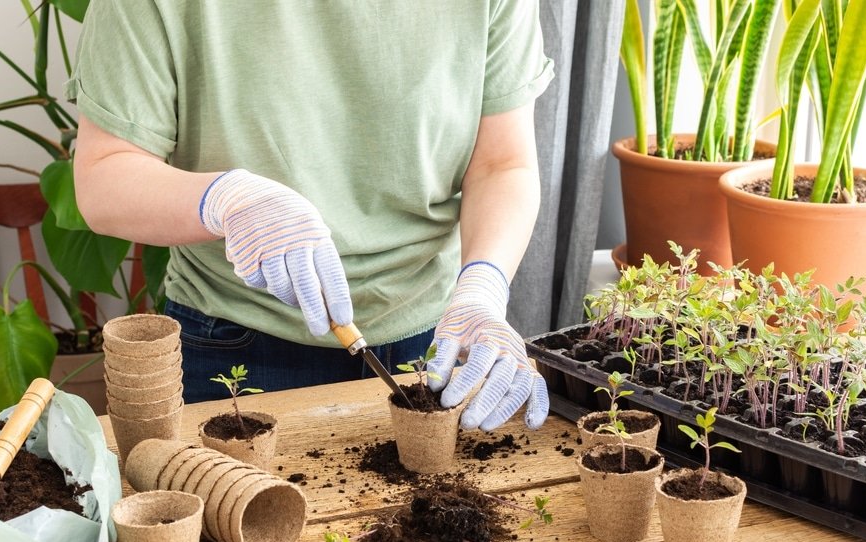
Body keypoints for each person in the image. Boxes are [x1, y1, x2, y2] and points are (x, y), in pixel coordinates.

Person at [69, 1, 553, 432]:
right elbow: (103, 177)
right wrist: (228, 198)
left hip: (438, 337)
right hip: (238, 340)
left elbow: (501, 163)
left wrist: (484, 285)